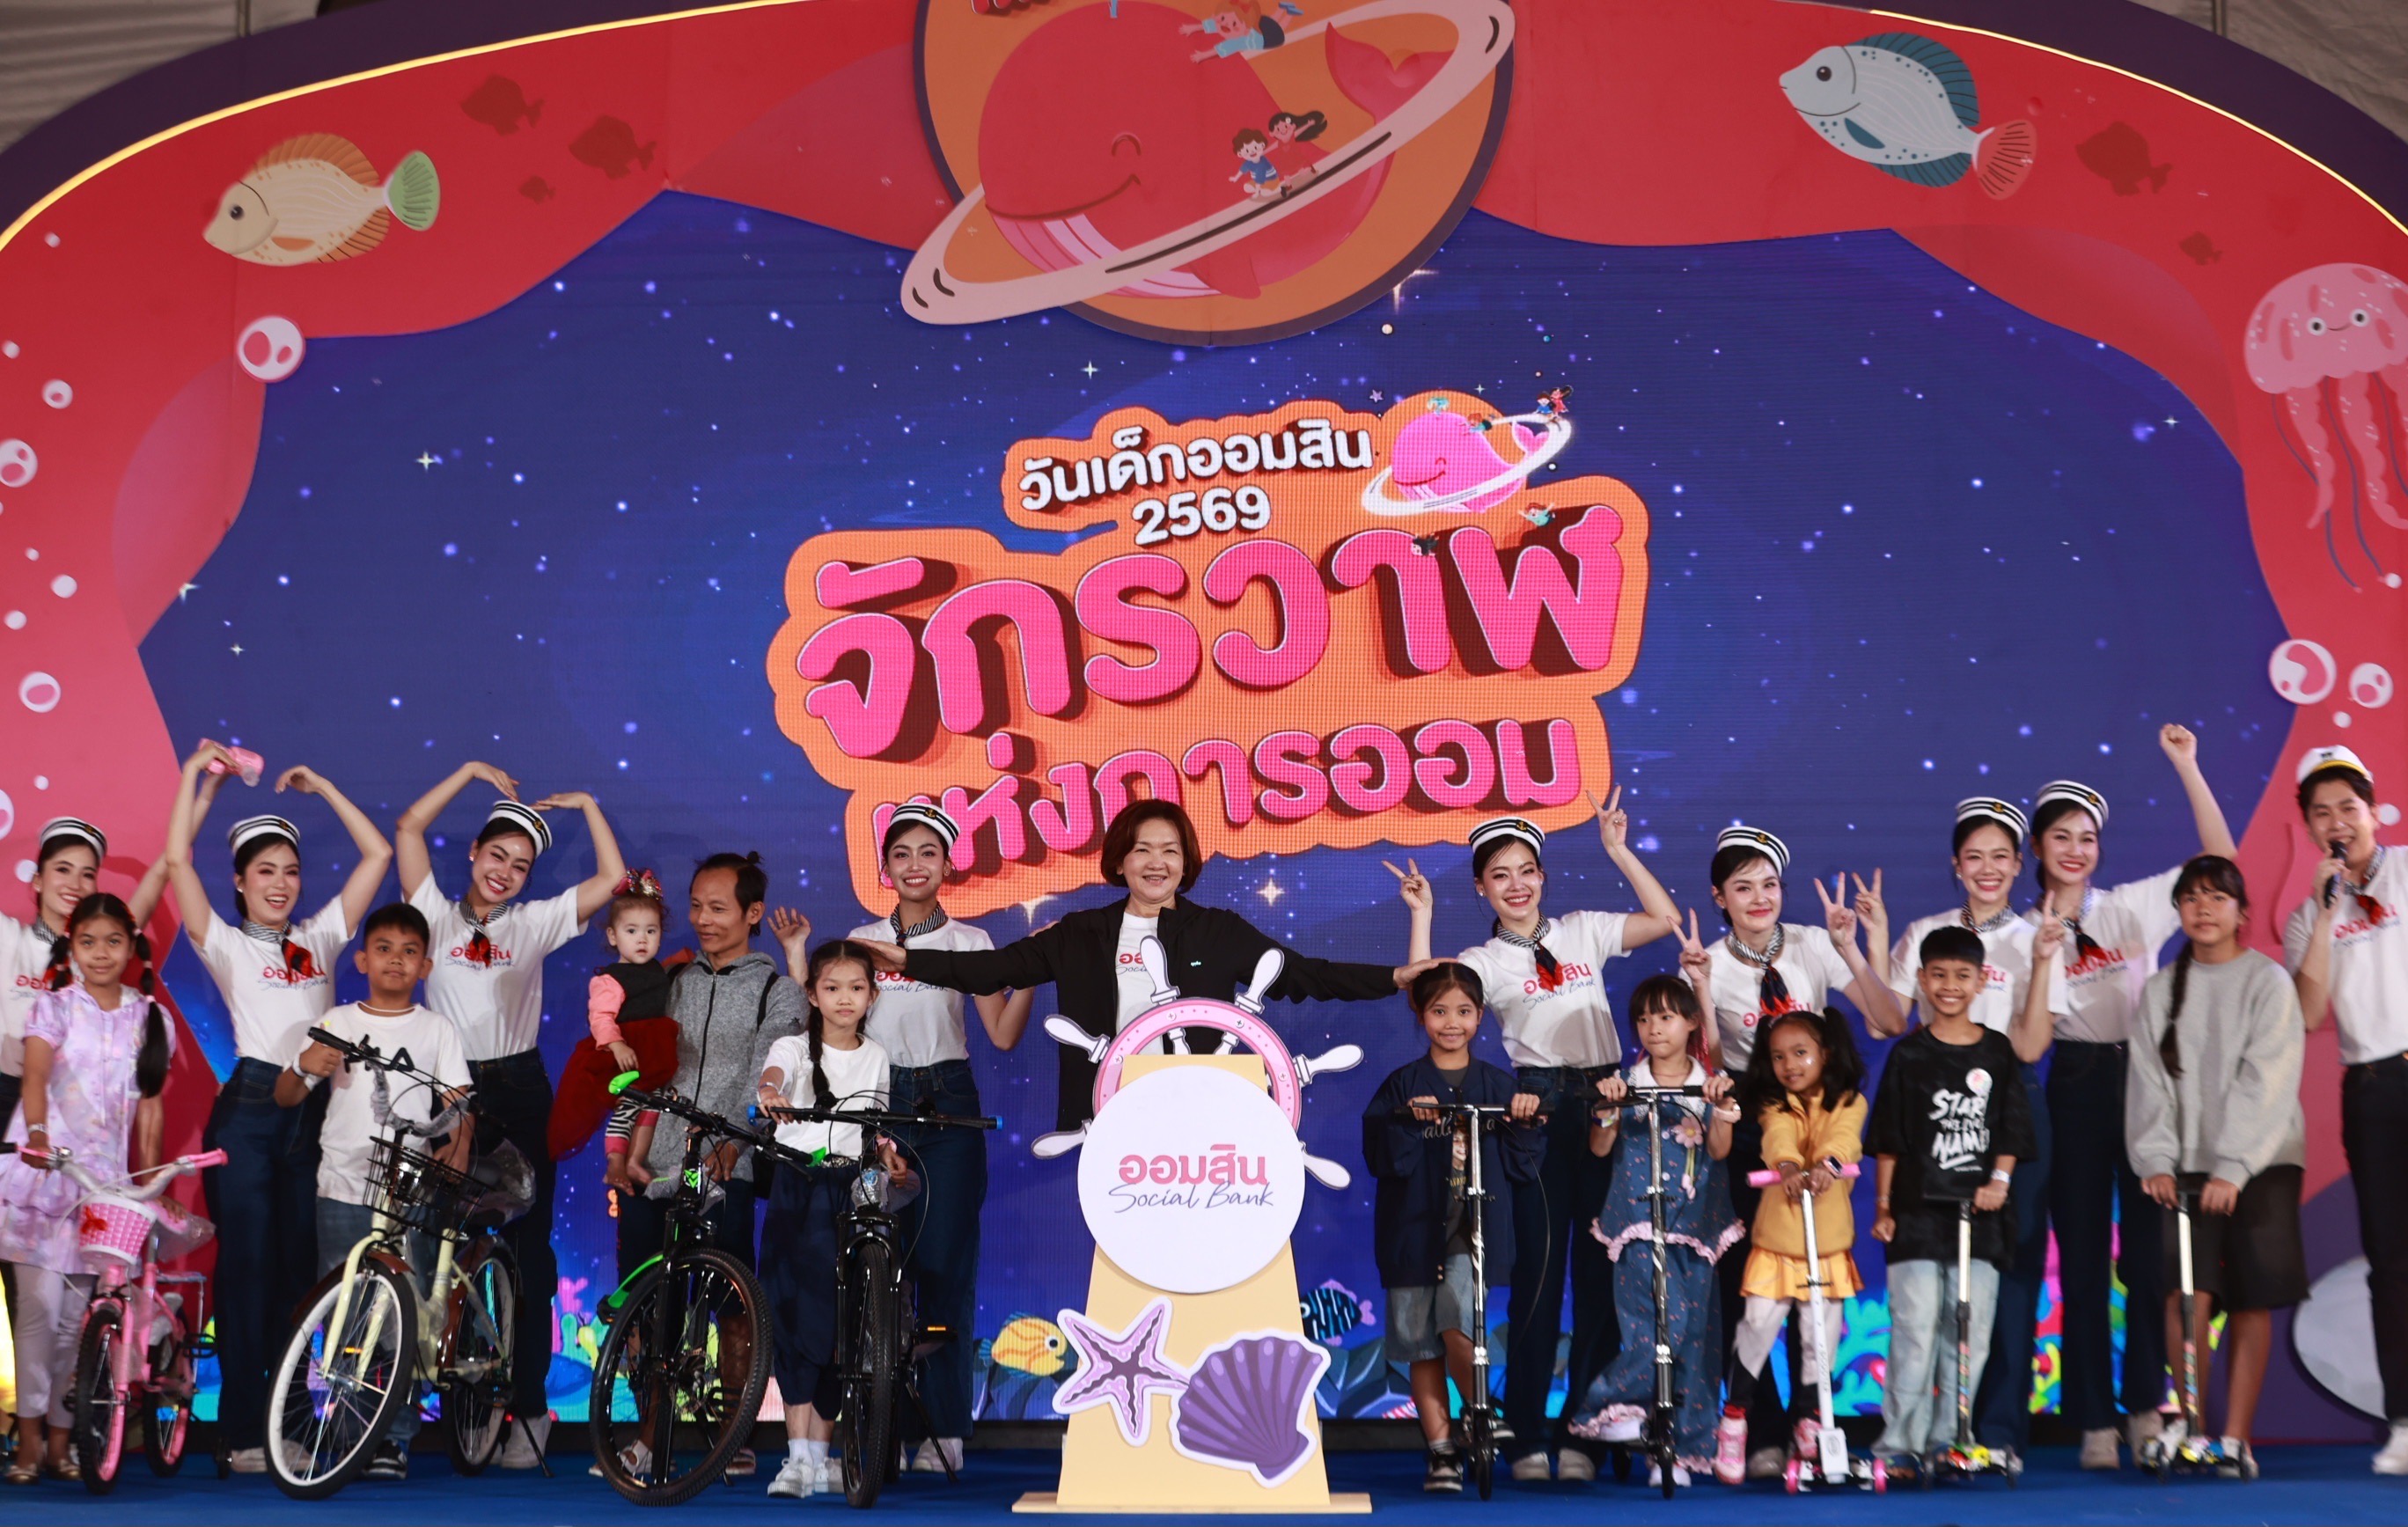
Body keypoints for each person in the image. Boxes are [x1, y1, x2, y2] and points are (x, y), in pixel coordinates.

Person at [1397, 794, 1680, 1482]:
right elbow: (1427, 994)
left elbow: (1664, 918)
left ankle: (1587, 1431)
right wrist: (1422, 916)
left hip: (1609, 1102)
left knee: (1606, 1273)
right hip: (1537, 1111)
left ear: (1543, 876)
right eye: (1500, 874)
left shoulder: (1583, 929)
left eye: (1527, 870)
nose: (1517, 884)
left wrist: (1618, 851)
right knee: (1540, 1274)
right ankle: (1525, 1435)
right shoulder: (1485, 958)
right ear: (1481, 886)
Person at [864, 799, 1419, 1136]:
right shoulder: (1082, 932)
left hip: (1201, 1111)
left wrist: (1394, 977)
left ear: (1185, 860)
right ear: (1121, 861)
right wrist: (908, 959)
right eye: (1143, 850)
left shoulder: (1218, 931)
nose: (1157, 863)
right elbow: (991, 969)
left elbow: (1304, 975)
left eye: (1170, 850)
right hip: (1109, 1112)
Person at [773, 803, 1029, 1477]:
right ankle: (871, 1426)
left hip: (946, 1105)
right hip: (874, 1103)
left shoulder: (971, 942)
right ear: (885, 866)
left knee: (943, 1264)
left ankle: (942, 1427)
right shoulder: (861, 940)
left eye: (928, 853)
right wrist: (798, 956)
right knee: (868, 1265)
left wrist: (1032, 970)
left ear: (948, 865)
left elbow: (1001, 1034)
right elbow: (825, 1013)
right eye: (902, 853)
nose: (915, 865)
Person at [162, 740, 390, 1474]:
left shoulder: (321, 937)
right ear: (239, 880)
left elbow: (379, 854)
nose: (281, 883)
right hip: (252, 1110)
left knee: (299, 1275)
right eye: (265, 871)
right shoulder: (226, 944)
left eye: (291, 870)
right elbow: (175, 862)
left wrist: (324, 785)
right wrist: (195, 777)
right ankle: (238, 1434)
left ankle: (288, 1424)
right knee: (248, 1271)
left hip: (315, 1113)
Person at [396, 760, 625, 1465]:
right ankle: (445, 1411)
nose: (505, 872)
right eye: (497, 855)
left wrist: (587, 803)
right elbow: (407, 827)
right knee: (440, 1248)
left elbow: (613, 878)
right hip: (449, 1092)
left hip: (520, 1091)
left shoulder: (533, 922)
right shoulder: (433, 913)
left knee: (528, 1252)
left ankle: (527, 1409)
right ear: (473, 852)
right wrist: (467, 771)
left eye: (520, 865)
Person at [2020, 724, 2236, 1469]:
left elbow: (2220, 859)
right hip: (2074, 1086)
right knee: (2081, 1259)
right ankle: (2093, 1419)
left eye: (2087, 838)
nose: (2075, 849)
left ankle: (2147, 1404)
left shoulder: (2134, 906)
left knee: (2147, 1259)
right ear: (2037, 847)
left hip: (2145, 1082)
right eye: (2061, 836)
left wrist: (2187, 765)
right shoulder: (2022, 932)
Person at [1676, 824, 1897, 1477]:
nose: (1759, 898)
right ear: (1719, 897)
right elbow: (1711, 1064)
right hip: (1749, 1123)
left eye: (1769, 884)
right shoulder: (1708, 960)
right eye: (1743, 887)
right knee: (1747, 1284)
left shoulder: (1813, 942)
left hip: (1816, 1124)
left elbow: (1889, 1020)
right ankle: (1759, 1426)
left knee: (1814, 1280)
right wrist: (1700, 988)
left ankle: (1810, 1419)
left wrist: (1852, 948)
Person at [1870, 795, 2064, 1458]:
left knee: (2007, 1272)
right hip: (1931, 1115)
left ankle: (1992, 1430)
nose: (1988, 868)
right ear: (1956, 864)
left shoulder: (2039, 932)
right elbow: (1888, 1023)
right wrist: (1869, 939)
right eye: (1974, 856)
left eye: (2001, 856)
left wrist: (2043, 959)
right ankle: (1912, 1436)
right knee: (1925, 1295)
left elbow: (2031, 1045)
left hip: (2008, 1107)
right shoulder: (1926, 932)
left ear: (2019, 864)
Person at [617, 852, 804, 1480]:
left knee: (730, 1300)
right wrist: (622, 1150)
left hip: (724, 1164)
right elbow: (637, 1062)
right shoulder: (671, 979)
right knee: (645, 1299)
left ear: (753, 913)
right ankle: (653, 1432)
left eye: (718, 908)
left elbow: (769, 1075)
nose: (703, 919)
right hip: (654, 1163)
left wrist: (737, 1143)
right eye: (696, 906)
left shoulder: (776, 991)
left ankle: (732, 1432)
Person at [274, 902, 471, 1482]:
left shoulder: (436, 1029)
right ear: (361, 960)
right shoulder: (337, 1019)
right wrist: (306, 1065)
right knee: (343, 1308)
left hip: (408, 1186)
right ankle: (342, 1428)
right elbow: (286, 1095)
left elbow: (458, 1102)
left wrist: (457, 1147)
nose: (395, 960)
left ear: (426, 966)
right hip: (341, 1182)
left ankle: (393, 1438)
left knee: (397, 1315)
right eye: (384, 949)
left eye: (409, 952)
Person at [2124, 855, 2304, 1482]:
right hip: (2183, 1168)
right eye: (2191, 897)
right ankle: (2196, 1430)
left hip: (2263, 1161)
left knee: (2252, 1297)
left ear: (2242, 912)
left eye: (2217, 897)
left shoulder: (2268, 981)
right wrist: (2155, 1157)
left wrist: (2234, 1165)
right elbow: (2148, 1082)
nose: (2203, 908)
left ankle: (2235, 1439)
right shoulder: (2160, 989)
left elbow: (2268, 1078)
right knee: (2185, 1298)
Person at [0, 816, 164, 1462]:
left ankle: (63, 1444)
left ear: (131, 946)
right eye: (88, 941)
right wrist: (39, 1136)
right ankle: (28, 1442)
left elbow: (149, 1112)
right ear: (71, 947)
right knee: (37, 1314)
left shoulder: (149, 1017)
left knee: (78, 1321)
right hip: (43, 1176)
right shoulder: (54, 1005)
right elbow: (35, 1078)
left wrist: (149, 1182)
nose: (100, 953)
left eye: (113, 941)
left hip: (103, 1189)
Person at [1361, 962, 1544, 1494]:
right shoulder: (1402, 1084)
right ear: (1421, 1016)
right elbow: (1380, 1157)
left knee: (1459, 1322)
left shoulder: (1499, 1084)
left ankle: (1482, 1409)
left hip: (1474, 1230)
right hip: (1412, 1231)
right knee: (1421, 1343)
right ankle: (1442, 1452)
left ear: (1480, 1016)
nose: (1451, 1023)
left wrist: (1527, 1119)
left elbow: (1524, 1165)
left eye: (1463, 1012)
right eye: (1439, 1011)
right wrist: (1407, 1121)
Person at [1867, 926, 2035, 1474]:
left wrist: (1999, 1183)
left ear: (1982, 981)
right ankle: (1899, 1444)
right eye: (1938, 975)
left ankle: (1950, 1441)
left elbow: (2012, 1128)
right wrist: (1884, 1207)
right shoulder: (1909, 1054)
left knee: (1968, 1332)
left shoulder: (1997, 1050)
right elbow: (1889, 1138)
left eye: (1962, 975)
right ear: (1921, 979)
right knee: (1915, 1327)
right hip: (1916, 1216)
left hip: (1980, 1218)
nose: (1949, 986)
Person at [2284, 744, 2408, 1473]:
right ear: (2308, 827)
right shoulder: (2308, 917)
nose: (2338, 822)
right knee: (2391, 1260)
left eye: (2348, 808)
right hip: (2371, 1088)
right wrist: (2329, 914)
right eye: (2322, 812)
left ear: (2373, 811)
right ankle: (2404, 1420)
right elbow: (2308, 1012)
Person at [758, 939, 915, 1500]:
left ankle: (819, 1456)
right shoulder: (793, 1046)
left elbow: (875, 1125)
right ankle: (797, 1455)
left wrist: (888, 1154)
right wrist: (770, 1090)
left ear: (872, 996)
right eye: (832, 988)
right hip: (796, 1186)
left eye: (856, 988)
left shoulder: (877, 1056)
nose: (844, 998)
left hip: (846, 1191)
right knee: (791, 1314)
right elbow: (774, 1075)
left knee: (835, 1322)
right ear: (812, 994)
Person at [1567, 975, 1738, 1488]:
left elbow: (1720, 1150)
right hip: (1638, 1223)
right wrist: (1607, 1108)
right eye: (1644, 1019)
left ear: (1692, 1023)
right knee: (1656, 1324)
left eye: (1665, 1017)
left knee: (1697, 1338)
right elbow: (1600, 1148)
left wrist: (1721, 1108)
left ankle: (1682, 1450)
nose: (1653, 1028)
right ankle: (1616, 1405)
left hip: (1697, 1224)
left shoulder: (1711, 1083)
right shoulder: (1626, 1083)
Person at [1713, 1007, 1867, 1486]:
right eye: (1779, 1057)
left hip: (1828, 1245)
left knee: (1819, 1339)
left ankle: (1810, 1422)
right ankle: (1735, 1421)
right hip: (1778, 1242)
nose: (1790, 1065)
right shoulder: (1773, 1103)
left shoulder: (1850, 1101)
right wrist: (1787, 1167)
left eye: (1800, 1053)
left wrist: (1830, 1165)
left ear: (1826, 1054)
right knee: (1756, 1330)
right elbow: (1777, 1137)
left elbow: (1845, 1139)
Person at [542, 870, 678, 1187]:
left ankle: (634, 1161)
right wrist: (616, 1045)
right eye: (632, 931)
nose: (642, 939)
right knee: (629, 1105)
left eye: (651, 931)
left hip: (653, 1052)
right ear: (613, 936)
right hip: (624, 1053)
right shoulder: (610, 980)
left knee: (654, 1103)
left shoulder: (658, 970)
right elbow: (601, 1018)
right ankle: (615, 1161)